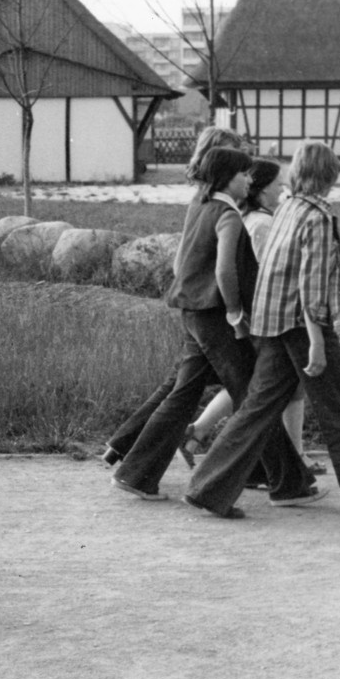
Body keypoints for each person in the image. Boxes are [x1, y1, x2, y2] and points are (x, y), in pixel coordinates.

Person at [185, 142, 340, 523]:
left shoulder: (288, 206)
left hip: (272, 321)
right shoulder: (318, 217)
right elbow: (312, 286)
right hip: (303, 325)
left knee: (257, 408)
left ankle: (207, 487)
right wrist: (318, 342)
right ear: (330, 176)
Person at [110, 147, 320, 507]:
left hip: (192, 312)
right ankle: (287, 482)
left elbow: (184, 259)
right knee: (254, 398)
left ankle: (136, 473)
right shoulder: (229, 216)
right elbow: (225, 270)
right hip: (217, 317)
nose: (249, 181)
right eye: (243, 175)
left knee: (184, 393)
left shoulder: (200, 205)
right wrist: (237, 313)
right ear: (227, 178)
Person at [100, 126, 245, 467]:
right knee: (226, 387)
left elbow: (181, 258)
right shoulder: (220, 204)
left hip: (194, 304)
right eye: (229, 155)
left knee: (180, 385)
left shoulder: (200, 198)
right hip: (211, 306)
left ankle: (123, 445)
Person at [176, 158, 324, 476]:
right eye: (278, 186)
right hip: (266, 314)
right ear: (261, 190)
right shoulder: (261, 223)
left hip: (261, 312)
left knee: (260, 382)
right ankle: (289, 457)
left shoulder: (254, 218)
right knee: (273, 384)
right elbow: (263, 272)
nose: (283, 192)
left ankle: (199, 431)